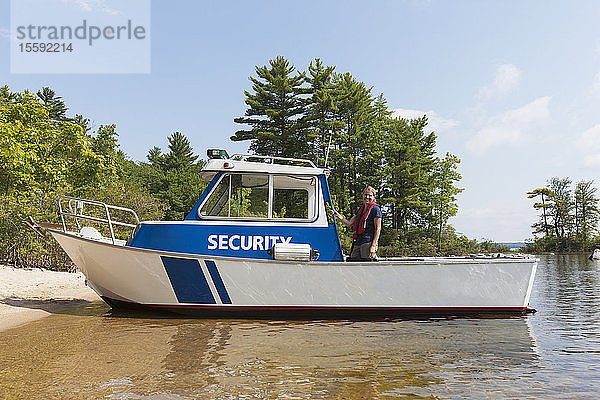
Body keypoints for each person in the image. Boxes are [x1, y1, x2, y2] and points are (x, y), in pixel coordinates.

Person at [332, 186, 382, 260]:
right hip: (358, 241)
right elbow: (349, 223)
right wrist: (337, 215)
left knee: (367, 264)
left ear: (374, 197)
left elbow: (378, 228)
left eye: (370, 195)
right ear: (363, 196)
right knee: (353, 260)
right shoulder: (360, 210)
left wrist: (373, 246)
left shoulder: (375, 209)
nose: (367, 197)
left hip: (368, 242)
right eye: (365, 195)